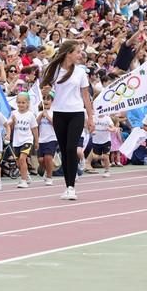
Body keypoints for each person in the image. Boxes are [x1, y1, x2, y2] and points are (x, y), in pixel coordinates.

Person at [40, 40, 95, 201]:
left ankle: (72, 186)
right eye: (77, 52)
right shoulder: (54, 70)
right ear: (68, 53)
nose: (80, 55)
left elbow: (86, 96)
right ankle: (68, 185)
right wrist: (46, 89)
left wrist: (90, 117)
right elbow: (45, 87)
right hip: (59, 113)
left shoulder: (80, 72)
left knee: (72, 148)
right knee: (64, 150)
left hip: (76, 113)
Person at [9, 93, 38, 188]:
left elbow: (34, 128)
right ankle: (26, 175)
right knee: (18, 162)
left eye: (23, 102)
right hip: (17, 141)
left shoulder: (30, 115)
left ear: (28, 103)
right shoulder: (14, 114)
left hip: (27, 140)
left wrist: (36, 141)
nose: (21, 104)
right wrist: (12, 122)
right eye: (19, 102)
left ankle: (23, 180)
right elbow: (10, 127)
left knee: (22, 159)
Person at [37, 92, 57, 186]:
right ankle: (46, 170)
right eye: (44, 99)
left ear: (52, 101)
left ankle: (49, 177)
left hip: (52, 138)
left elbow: (56, 124)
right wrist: (41, 115)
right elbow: (35, 124)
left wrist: (48, 117)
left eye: (48, 99)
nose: (46, 101)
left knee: (48, 158)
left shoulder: (55, 112)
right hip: (41, 139)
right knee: (41, 160)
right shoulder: (39, 112)